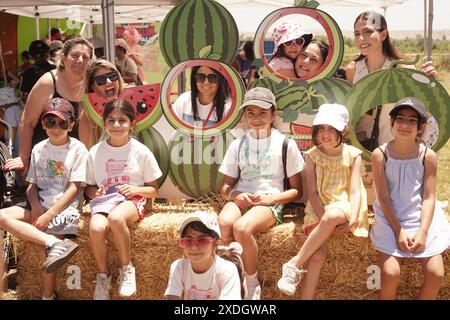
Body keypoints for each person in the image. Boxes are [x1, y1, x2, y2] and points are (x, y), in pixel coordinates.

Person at [217, 87, 304, 300]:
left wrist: (271, 199)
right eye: (251, 113)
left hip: (270, 200)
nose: (256, 118)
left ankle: (251, 280)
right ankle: (229, 277)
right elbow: (224, 188)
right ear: (245, 116)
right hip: (242, 196)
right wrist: (236, 195)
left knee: (242, 228)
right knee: (224, 222)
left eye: (263, 113)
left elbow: (297, 191)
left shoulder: (285, 144)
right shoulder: (238, 144)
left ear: (273, 115)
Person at [277, 103, 369, 299]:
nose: (325, 134)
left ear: (343, 130)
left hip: (343, 204)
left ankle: (293, 265)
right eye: (321, 129)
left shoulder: (353, 155)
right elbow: (311, 191)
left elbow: (354, 190)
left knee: (333, 214)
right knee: (317, 255)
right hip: (319, 206)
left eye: (331, 129)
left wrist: (352, 218)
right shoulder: (313, 156)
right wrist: (322, 217)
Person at [0, 97, 88, 300]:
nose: (56, 127)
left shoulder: (77, 149)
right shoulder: (39, 148)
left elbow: (74, 188)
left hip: (65, 208)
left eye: (62, 122)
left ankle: (47, 296)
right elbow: (32, 185)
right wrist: (36, 206)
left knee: (45, 252)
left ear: (71, 125)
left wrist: (48, 215)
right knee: (2, 217)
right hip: (39, 203)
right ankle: (53, 242)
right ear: (43, 124)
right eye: (50, 122)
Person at [370, 97, 450, 300]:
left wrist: (422, 232)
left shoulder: (428, 156)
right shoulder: (380, 155)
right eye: (400, 119)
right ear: (392, 122)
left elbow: (429, 197)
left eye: (412, 121)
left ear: (421, 127)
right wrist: (398, 230)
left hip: (421, 216)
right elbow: (383, 197)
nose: (405, 125)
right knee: (390, 273)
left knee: (436, 274)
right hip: (391, 217)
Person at [85, 98, 162, 300]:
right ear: (104, 124)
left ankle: (127, 269)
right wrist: (95, 193)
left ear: (132, 124)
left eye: (122, 120)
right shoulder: (95, 152)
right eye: (111, 120)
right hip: (106, 200)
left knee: (116, 219)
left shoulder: (141, 151)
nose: (117, 125)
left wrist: (135, 188)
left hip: (133, 199)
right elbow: (89, 187)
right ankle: (104, 276)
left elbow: (153, 191)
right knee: (95, 228)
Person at [346, 11, 438, 150]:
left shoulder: (403, 68)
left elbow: (421, 107)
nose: (361, 38)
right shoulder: (353, 69)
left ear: (383, 34)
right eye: (357, 33)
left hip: (395, 149)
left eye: (367, 32)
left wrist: (430, 86)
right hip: (361, 149)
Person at [5, 37, 93, 175]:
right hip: (46, 165)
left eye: (85, 57)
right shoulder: (48, 82)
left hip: (77, 164)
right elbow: (27, 122)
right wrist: (24, 158)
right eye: (74, 55)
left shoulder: (91, 85)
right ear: (63, 57)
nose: (80, 60)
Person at [165, 211, 246, 300]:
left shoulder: (227, 270)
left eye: (202, 240)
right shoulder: (178, 267)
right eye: (188, 241)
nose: (194, 247)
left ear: (216, 244)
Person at [78, 59, 124, 149]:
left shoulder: (132, 103)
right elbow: (88, 153)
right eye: (101, 80)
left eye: (112, 76)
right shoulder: (87, 116)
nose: (109, 82)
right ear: (92, 87)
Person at [19, 40, 56, 104]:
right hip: (55, 107)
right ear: (47, 54)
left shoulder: (28, 72)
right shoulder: (56, 69)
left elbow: (24, 97)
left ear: (30, 56)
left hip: (37, 109)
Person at [0, 87, 22, 157]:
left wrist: (6, 150)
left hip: (14, 151)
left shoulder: (9, 111)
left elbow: (12, 132)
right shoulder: (19, 108)